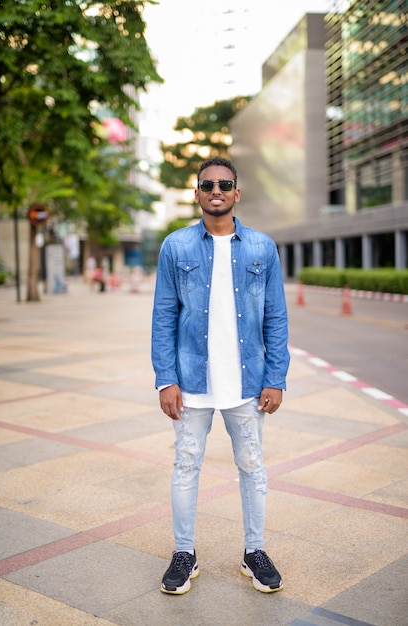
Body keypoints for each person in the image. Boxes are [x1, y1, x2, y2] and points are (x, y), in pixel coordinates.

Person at [151, 157, 290, 595]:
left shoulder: (262, 248)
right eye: (207, 184)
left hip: (247, 385)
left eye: (224, 184)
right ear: (196, 193)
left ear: (236, 193)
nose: (216, 190)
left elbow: (276, 318)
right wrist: (165, 378)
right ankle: (184, 553)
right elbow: (163, 316)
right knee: (185, 466)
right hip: (192, 382)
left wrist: (276, 377)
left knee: (252, 467)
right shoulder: (176, 247)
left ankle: (255, 552)